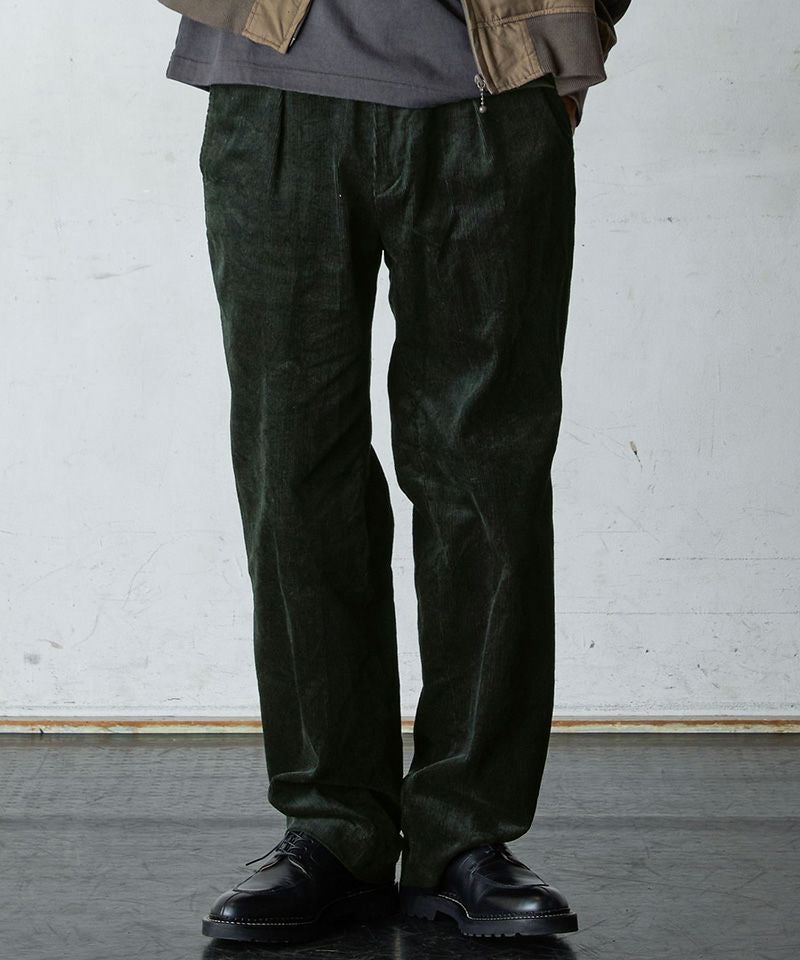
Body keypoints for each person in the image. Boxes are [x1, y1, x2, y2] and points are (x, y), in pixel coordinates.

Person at [158, 0, 631, 944]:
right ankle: (332, 829)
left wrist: (569, 32)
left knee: (487, 479)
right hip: (273, 91)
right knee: (293, 469)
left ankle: (467, 835)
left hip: (494, 94)